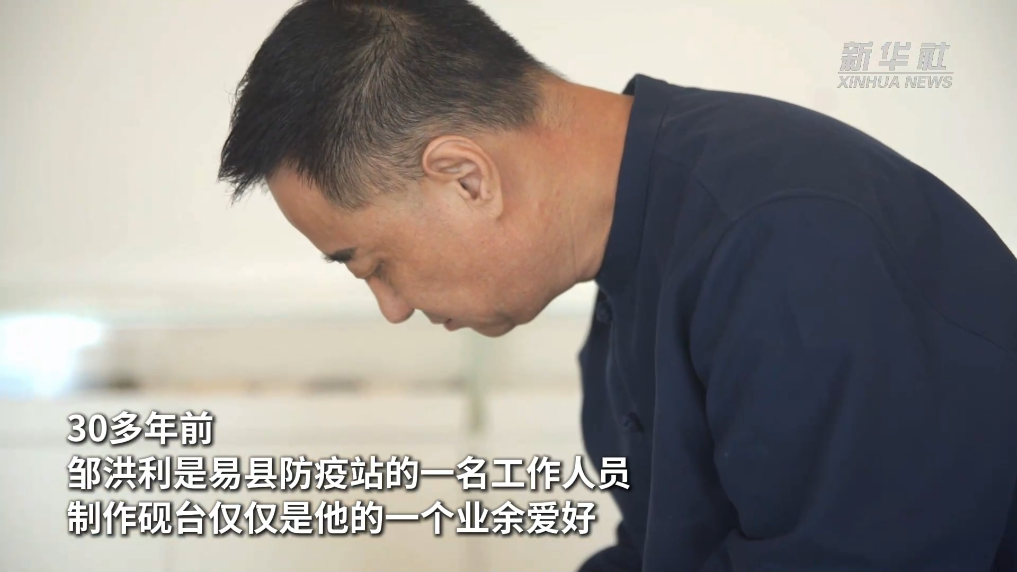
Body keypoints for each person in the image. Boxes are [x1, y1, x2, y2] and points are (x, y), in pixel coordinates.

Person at [217, 1, 1017, 570]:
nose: (391, 307)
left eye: (374, 263)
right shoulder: (645, 247)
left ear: (464, 177)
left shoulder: (781, 238)